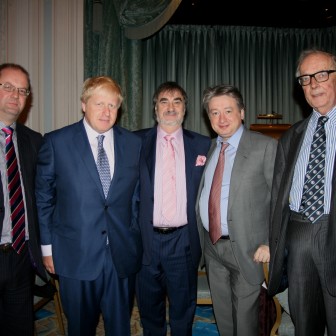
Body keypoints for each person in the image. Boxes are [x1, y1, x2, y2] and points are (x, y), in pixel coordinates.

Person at [35, 76, 143, 336]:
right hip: (75, 255)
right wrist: (48, 249)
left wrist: (134, 236)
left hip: (120, 257)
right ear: (84, 104)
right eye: (99, 103)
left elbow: (136, 197)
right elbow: (44, 198)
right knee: (81, 328)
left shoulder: (133, 144)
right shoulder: (56, 142)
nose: (106, 112)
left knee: (120, 328)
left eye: (113, 106)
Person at [196, 84, 277, 336]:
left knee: (244, 324)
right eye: (214, 112)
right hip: (212, 248)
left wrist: (269, 242)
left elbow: (281, 200)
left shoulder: (265, 147)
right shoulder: (208, 148)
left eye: (228, 111)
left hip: (247, 250)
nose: (222, 119)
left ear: (242, 112)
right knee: (224, 319)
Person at [268, 49, 336, 336]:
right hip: (297, 234)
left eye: (322, 74)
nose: (314, 84)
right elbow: (276, 198)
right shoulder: (291, 136)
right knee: (304, 322)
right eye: (306, 79)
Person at [135, 81, 211, 336]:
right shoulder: (134, 142)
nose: (170, 107)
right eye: (164, 101)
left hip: (183, 241)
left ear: (185, 108)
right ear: (155, 107)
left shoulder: (203, 145)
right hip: (145, 241)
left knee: (183, 311)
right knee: (149, 310)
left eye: (177, 101)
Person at [0, 63, 47, 335]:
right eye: (8, 87)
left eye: (22, 90)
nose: (15, 95)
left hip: (21, 255)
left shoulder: (34, 141)